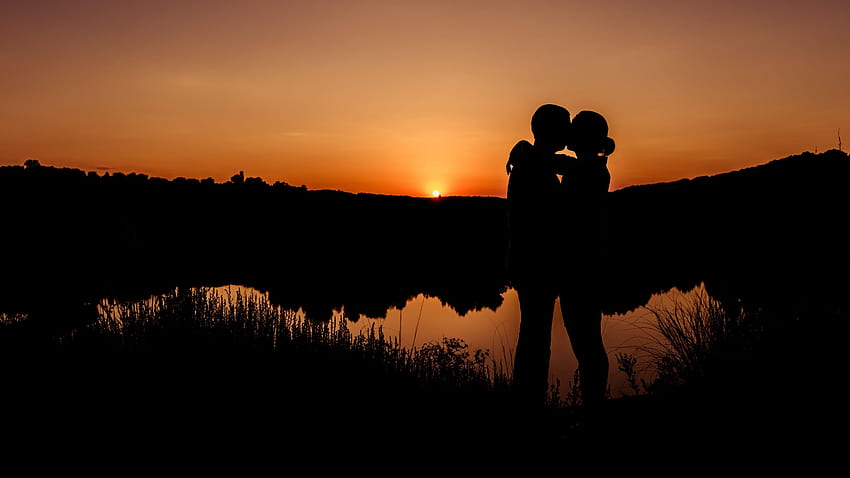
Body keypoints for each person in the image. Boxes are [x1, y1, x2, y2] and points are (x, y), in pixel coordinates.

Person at [505, 104, 572, 407]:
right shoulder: (533, 164)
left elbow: (558, 163)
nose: (569, 130)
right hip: (535, 265)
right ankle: (529, 403)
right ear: (550, 129)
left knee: (534, 333)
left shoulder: (533, 160)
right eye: (566, 124)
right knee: (535, 336)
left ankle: (529, 400)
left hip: (530, 263)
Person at [558, 110, 614, 408]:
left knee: (587, 342)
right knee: (587, 341)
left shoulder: (589, 169)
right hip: (584, 266)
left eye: (574, 130)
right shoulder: (589, 167)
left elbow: (555, 162)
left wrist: (526, 148)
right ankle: (593, 404)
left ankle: (593, 407)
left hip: (582, 268)